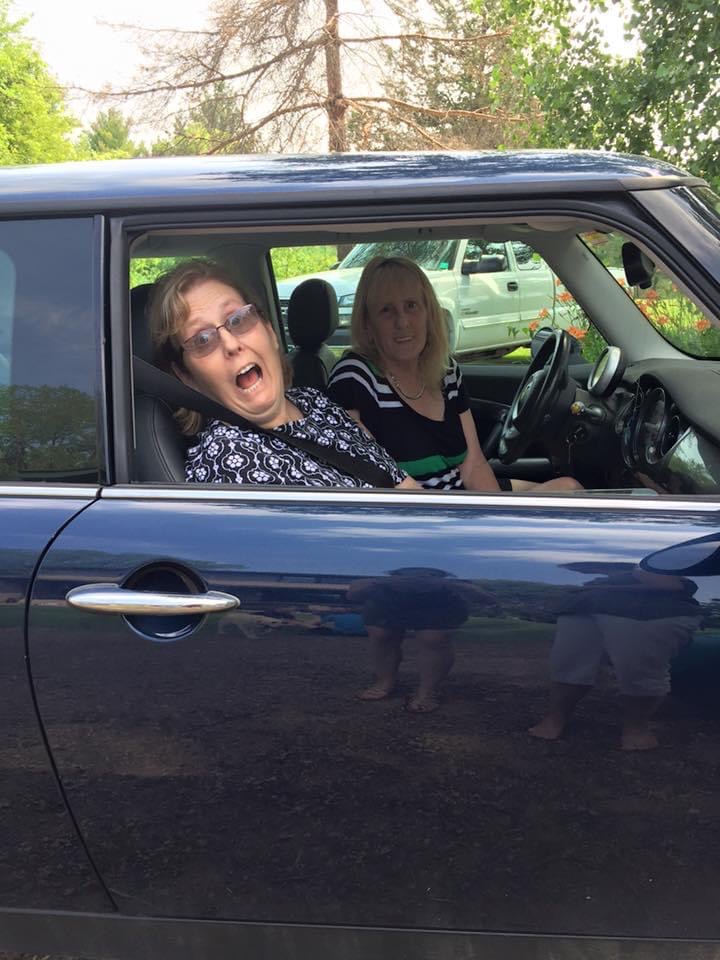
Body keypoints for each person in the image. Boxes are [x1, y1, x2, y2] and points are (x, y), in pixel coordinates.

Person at [148, 259, 418, 490]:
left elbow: (401, 485)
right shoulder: (227, 459)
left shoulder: (313, 401)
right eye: (203, 340)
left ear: (270, 331)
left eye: (238, 320)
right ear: (187, 377)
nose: (231, 344)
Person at [327, 255, 581, 492]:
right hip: (420, 518)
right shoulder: (355, 377)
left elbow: (472, 466)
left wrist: (494, 518)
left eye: (411, 306)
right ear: (368, 324)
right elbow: (374, 476)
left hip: (460, 498)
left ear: (429, 313)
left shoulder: (446, 372)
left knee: (570, 489)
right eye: (386, 310)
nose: (402, 322)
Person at [529, 564, 702, 750]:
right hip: (583, 606)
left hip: (650, 613)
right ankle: (555, 718)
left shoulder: (667, 561)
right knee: (567, 664)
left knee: (638, 670)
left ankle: (636, 727)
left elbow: (670, 586)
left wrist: (601, 582)